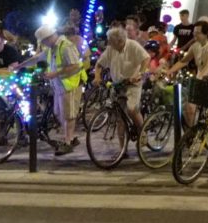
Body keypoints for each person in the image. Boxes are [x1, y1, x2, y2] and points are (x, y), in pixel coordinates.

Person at [164, 19, 208, 143]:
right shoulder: (194, 46)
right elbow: (184, 61)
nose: (194, 35)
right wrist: (170, 70)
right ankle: (191, 134)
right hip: (201, 80)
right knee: (189, 108)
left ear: (206, 34)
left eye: (198, 33)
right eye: (194, 32)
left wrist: (201, 76)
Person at [25, 25, 85, 155]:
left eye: (44, 41)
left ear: (49, 38)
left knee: (68, 115)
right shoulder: (52, 48)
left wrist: (55, 74)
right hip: (59, 86)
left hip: (70, 85)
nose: (43, 44)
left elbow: (75, 66)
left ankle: (68, 142)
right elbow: (37, 58)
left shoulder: (65, 46)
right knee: (59, 113)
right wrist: (20, 66)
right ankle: (71, 138)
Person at [94, 26, 150, 135]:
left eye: (110, 40)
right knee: (120, 118)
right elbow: (99, 64)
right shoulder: (111, 49)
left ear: (119, 41)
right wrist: (97, 77)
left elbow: (146, 58)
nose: (108, 42)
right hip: (118, 85)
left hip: (133, 83)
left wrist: (140, 74)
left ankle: (142, 132)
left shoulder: (133, 45)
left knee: (132, 109)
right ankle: (122, 150)